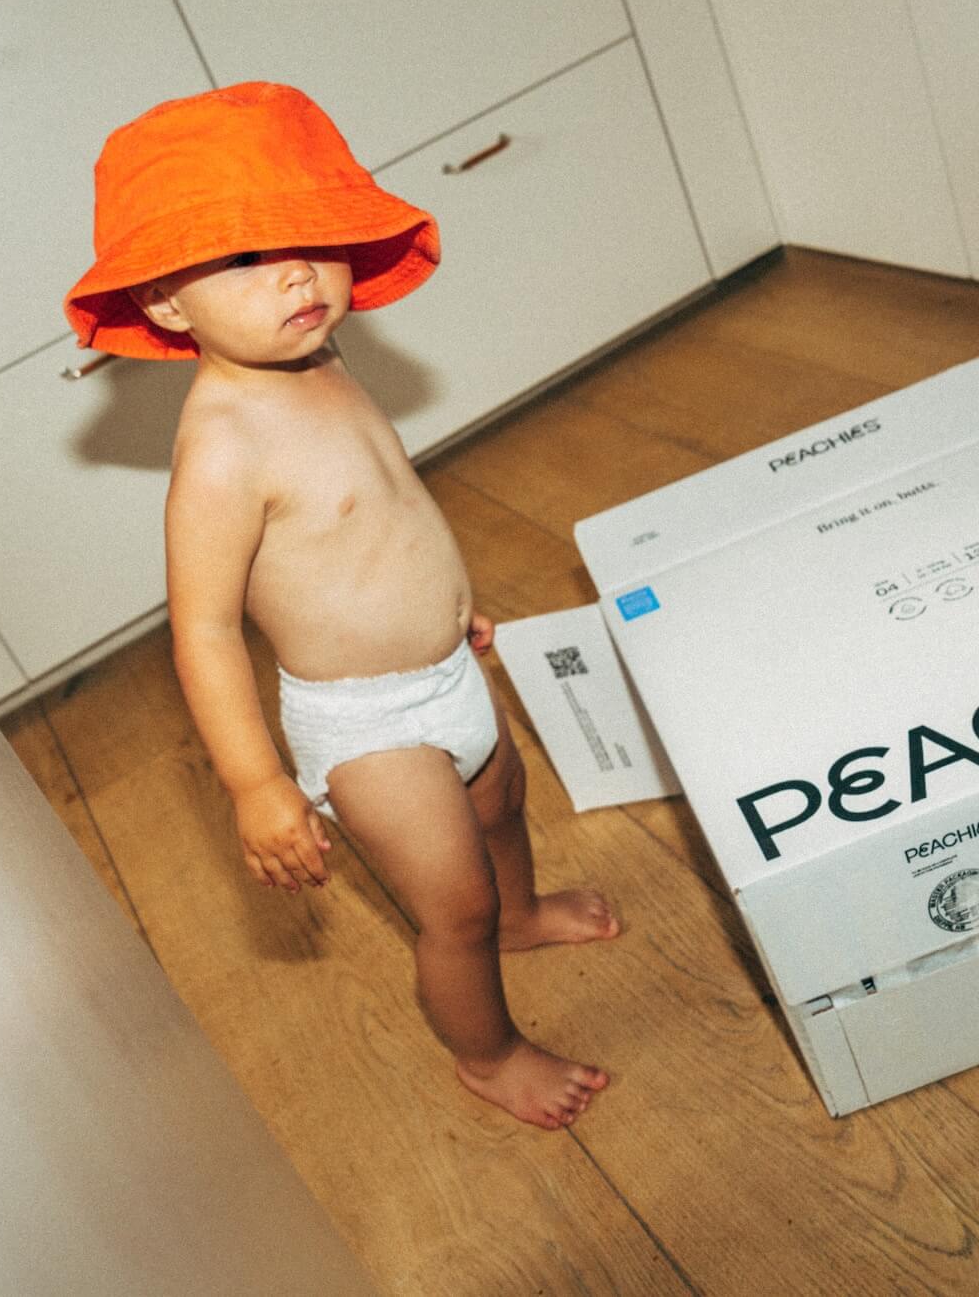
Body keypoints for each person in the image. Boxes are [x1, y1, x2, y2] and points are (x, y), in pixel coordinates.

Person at [65, 82, 620, 1130]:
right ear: (165, 304)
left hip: (446, 671)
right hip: (368, 726)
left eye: (311, 239)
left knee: (504, 812)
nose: (294, 272)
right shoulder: (222, 446)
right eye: (238, 258)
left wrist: (445, 605)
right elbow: (204, 629)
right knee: (447, 907)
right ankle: (488, 1053)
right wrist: (254, 782)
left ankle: (525, 914)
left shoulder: (322, 358)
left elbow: (380, 510)